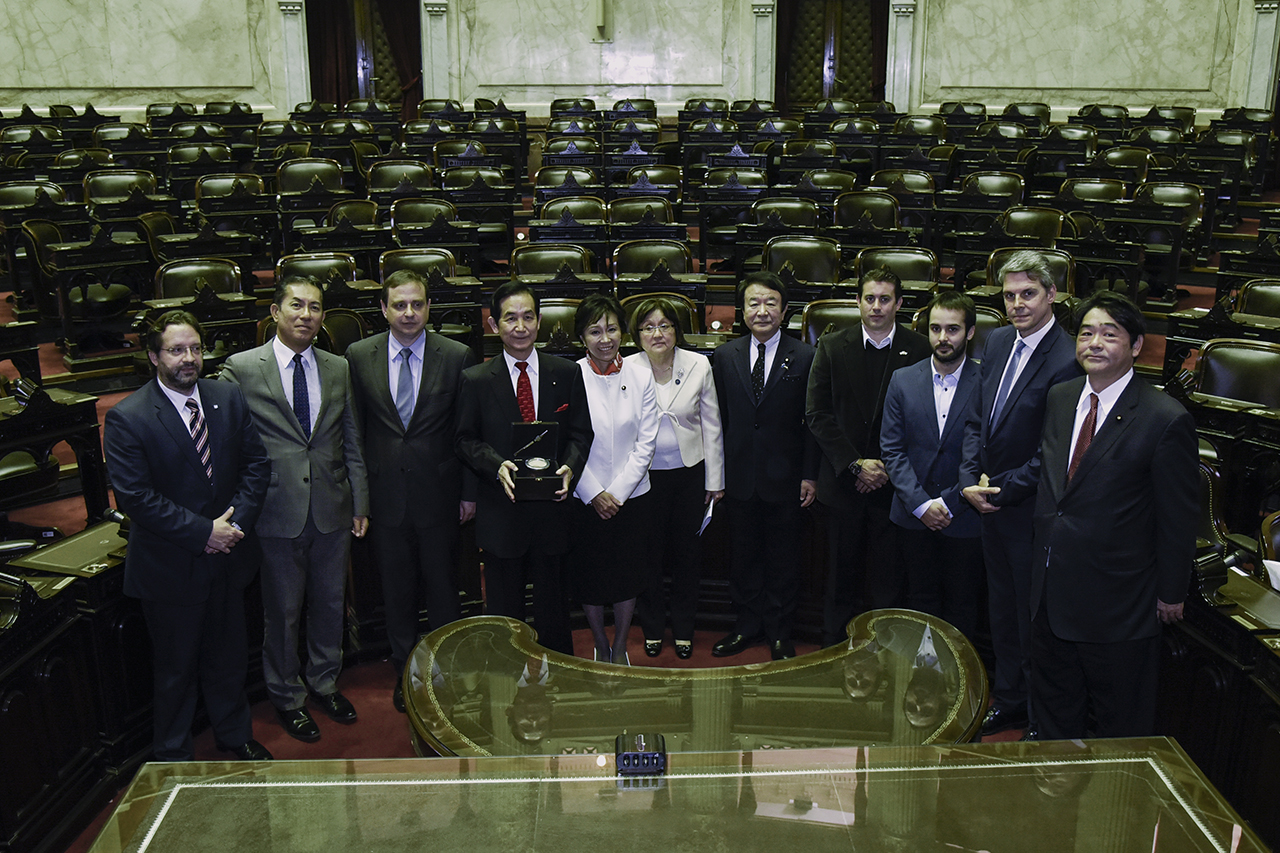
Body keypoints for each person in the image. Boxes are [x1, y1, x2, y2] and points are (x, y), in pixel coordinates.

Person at [103, 311, 271, 762]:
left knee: (229, 661)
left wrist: (234, 527)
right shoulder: (127, 418)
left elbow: (257, 466)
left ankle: (235, 736)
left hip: (229, 559)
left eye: (195, 348)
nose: (189, 359)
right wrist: (204, 533)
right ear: (154, 355)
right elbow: (136, 499)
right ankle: (173, 756)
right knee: (175, 672)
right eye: (177, 350)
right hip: (171, 568)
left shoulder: (227, 397)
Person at [1030, 291, 1197, 739]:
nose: (1095, 343)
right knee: (1052, 716)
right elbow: (1054, 484)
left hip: (1118, 605)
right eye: (1086, 333)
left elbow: (1177, 517)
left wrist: (1171, 592)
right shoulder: (1061, 397)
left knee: (1118, 725)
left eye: (1110, 333)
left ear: (1137, 346)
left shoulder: (1165, 419)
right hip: (1050, 591)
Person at [220, 276, 370, 741]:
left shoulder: (338, 366)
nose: (306, 314)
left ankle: (324, 681)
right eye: (296, 305)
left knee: (329, 603)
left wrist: (360, 500)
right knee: (282, 612)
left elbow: (351, 440)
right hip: (274, 511)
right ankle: (287, 695)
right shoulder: (242, 368)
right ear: (274, 311)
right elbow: (226, 442)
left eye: (316, 307)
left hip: (332, 506)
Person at [959, 249, 1082, 740]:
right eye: (1009, 296)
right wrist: (971, 475)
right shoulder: (995, 340)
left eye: (1028, 294)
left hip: (1031, 511)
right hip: (988, 504)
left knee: (1033, 621)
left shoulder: (1069, 358)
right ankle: (1008, 699)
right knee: (1003, 612)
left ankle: (1037, 712)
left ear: (1052, 294)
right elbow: (976, 420)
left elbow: (1055, 449)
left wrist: (1002, 490)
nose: (1017, 305)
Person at [347, 268, 477, 713]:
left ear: (428, 307)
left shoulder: (456, 354)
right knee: (396, 592)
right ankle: (405, 670)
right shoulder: (358, 355)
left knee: (443, 589)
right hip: (385, 499)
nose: (408, 312)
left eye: (416, 304)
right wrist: (359, 498)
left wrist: (467, 493)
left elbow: (465, 434)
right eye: (399, 304)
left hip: (439, 495)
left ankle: (444, 670)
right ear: (383, 308)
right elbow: (356, 433)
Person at [456, 281, 593, 656]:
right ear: (493, 324)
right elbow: (464, 440)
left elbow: (581, 433)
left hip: (553, 514)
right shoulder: (476, 380)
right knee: (504, 617)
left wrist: (569, 467)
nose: (520, 326)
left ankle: (560, 684)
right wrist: (495, 464)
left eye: (528, 317)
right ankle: (505, 685)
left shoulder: (565, 373)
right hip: (502, 515)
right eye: (510, 318)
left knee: (554, 615)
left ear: (540, 321)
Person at [806, 267, 931, 645]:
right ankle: (832, 649)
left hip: (895, 487)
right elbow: (818, 413)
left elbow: (924, 418)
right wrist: (856, 464)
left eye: (885, 299)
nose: (876, 307)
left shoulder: (921, 348)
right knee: (839, 576)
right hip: (844, 482)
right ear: (857, 301)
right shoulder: (831, 346)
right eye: (869, 298)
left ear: (900, 304)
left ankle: (886, 650)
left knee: (888, 580)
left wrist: (887, 469)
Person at [711, 270, 819, 661]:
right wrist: (716, 475)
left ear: (785, 311)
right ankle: (745, 625)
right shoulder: (724, 356)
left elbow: (812, 424)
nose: (762, 311)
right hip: (739, 478)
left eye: (770, 303)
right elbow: (716, 421)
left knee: (783, 558)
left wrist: (809, 474)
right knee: (742, 557)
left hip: (787, 480)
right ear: (742, 312)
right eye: (754, 303)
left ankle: (779, 631)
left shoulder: (806, 356)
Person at [879, 291, 984, 639]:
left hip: (964, 516)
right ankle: (922, 688)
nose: (942, 338)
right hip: (912, 514)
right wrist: (922, 504)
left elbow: (983, 452)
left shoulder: (987, 383)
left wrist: (949, 502)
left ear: (969, 333)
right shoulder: (902, 379)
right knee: (917, 601)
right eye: (935, 329)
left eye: (952, 329)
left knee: (962, 605)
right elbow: (892, 450)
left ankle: (958, 685)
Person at [629, 296, 724, 660]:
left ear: (676, 330)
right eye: (649, 327)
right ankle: (652, 628)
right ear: (637, 334)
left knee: (687, 556)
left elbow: (712, 425)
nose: (657, 333)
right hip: (644, 476)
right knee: (648, 556)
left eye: (665, 325)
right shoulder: (628, 368)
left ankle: (684, 629)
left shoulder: (698, 364)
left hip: (689, 473)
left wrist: (715, 480)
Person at [569, 294, 658, 663]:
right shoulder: (569, 375)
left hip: (631, 498)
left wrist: (617, 493)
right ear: (582, 337)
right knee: (590, 576)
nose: (605, 339)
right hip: (584, 497)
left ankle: (620, 645)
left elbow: (647, 441)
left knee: (626, 575)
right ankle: (599, 644)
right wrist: (593, 493)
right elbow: (568, 442)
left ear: (623, 331)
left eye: (611, 329)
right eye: (594, 331)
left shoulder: (641, 374)